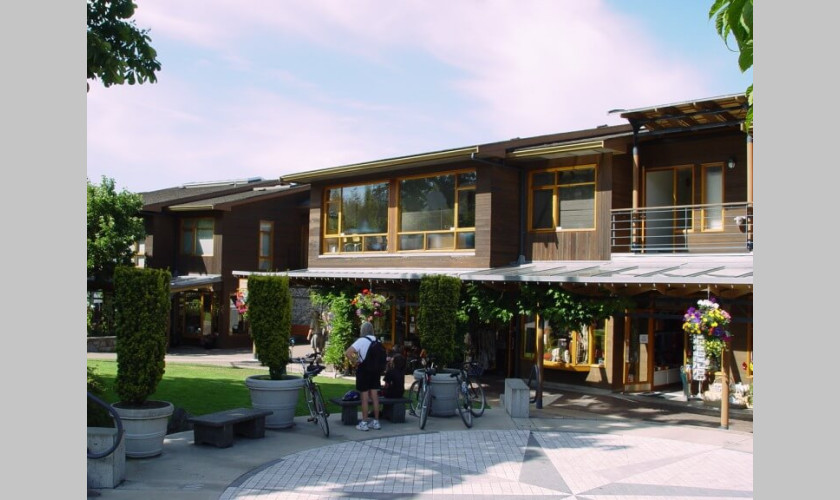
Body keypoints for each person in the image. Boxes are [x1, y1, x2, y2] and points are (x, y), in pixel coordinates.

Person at [345, 317, 381, 431]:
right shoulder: (377, 341)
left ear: (362, 330)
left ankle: (364, 422)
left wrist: (355, 361)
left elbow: (348, 352)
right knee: (375, 396)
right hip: (375, 371)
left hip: (364, 370)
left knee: (364, 397)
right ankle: (376, 422)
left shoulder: (361, 340)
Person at [380, 351, 406, 421]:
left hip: (391, 394)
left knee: (378, 392)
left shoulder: (390, 371)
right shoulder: (402, 372)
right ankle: (386, 412)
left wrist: (382, 389)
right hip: (400, 393)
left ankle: (383, 412)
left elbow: (386, 386)